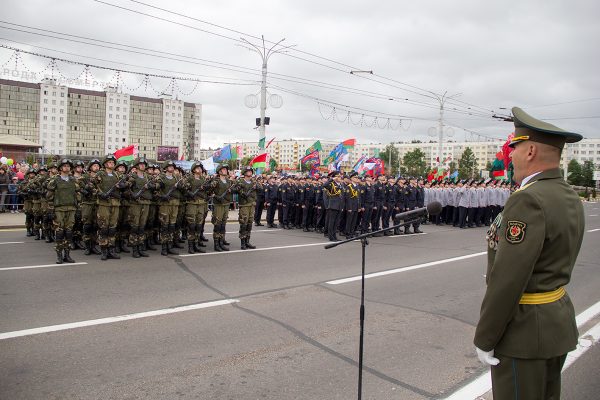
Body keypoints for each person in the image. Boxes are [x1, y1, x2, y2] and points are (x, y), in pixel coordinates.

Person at [474, 107, 585, 399]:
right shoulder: (568, 194)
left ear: (531, 151)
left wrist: (486, 337)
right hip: (555, 324)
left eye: (515, 147)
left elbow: (508, 278)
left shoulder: (528, 200)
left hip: (524, 332)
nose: (510, 155)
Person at [46, 159, 80, 264]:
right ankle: (59, 256)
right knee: (59, 232)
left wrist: (79, 208)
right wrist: (51, 210)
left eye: (68, 166)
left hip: (71, 208)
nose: (67, 168)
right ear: (60, 168)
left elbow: (78, 195)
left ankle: (67, 255)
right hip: (59, 209)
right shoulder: (55, 180)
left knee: (69, 232)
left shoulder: (73, 180)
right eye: (65, 166)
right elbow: (49, 196)